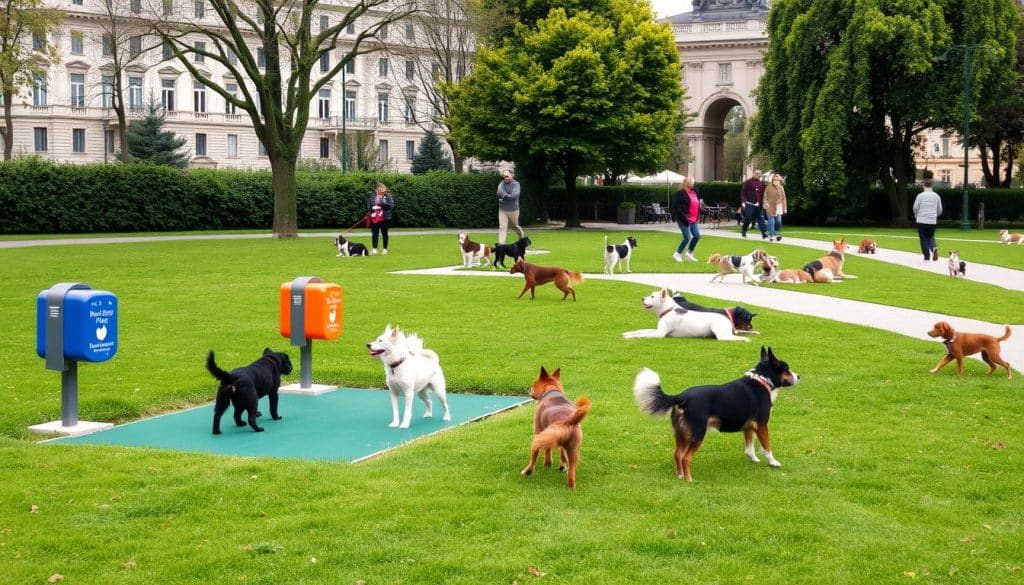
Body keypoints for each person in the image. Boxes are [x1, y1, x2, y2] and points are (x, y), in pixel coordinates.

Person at [670, 176, 702, 262]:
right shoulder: (679, 194)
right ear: (686, 183)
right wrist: (684, 219)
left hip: (693, 218)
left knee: (697, 236)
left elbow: (697, 205)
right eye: (691, 181)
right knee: (687, 237)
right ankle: (677, 254)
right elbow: (677, 208)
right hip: (683, 218)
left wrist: (704, 211)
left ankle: (689, 253)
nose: (693, 183)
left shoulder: (694, 193)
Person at [912, 178, 943, 261]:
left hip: (921, 220)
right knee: (930, 236)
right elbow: (939, 209)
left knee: (923, 238)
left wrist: (916, 216)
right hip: (932, 220)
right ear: (932, 185)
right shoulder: (936, 196)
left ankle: (926, 256)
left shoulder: (920, 196)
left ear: (923, 185)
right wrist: (935, 215)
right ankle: (934, 248)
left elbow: (915, 208)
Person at [496, 169, 526, 244]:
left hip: (513, 210)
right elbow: (499, 192)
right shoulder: (502, 183)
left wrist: (504, 196)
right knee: (502, 227)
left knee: (515, 226)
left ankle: (522, 239)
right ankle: (501, 245)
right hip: (502, 210)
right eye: (504, 176)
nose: (505, 178)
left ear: (512, 175)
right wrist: (505, 195)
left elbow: (514, 196)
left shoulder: (516, 184)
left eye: (507, 176)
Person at [367, 181, 394, 255]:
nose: (383, 189)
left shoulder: (388, 195)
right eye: (382, 187)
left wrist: (381, 204)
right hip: (375, 217)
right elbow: (370, 204)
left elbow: (391, 206)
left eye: (384, 187)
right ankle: (374, 249)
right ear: (378, 188)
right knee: (375, 233)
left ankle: (385, 249)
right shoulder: (373, 195)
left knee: (384, 233)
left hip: (385, 217)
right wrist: (371, 210)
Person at [740, 168, 768, 239]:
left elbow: (763, 195)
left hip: (758, 204)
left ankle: (764, 233)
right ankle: (744, 231)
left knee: (760, 218)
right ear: (753, 173)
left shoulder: (762, 184)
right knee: (748, 217)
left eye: (759, 173)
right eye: (756, 173)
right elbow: (743, 192)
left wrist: (763, 203)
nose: (758, 175)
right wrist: (743, 201)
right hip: (749, 203)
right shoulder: (748, 182)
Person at [763, 173, 787, 242]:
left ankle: (774, 232)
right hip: (770, 206)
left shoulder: (781, 188)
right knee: (771, 222)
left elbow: (784, 198)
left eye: (778, 180)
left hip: (779, 206)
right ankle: (771, 236)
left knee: (779, 221)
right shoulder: (768, 187)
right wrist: (765, 204)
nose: (776, 181)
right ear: (772, 180)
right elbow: (765, 197)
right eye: (775, 180)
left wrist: (785, 208)